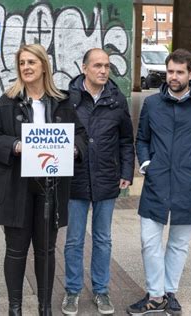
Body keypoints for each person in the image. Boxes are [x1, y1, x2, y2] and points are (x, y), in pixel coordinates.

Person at [0, 44, 87, 316]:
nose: (26, 67)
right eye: (22, 63)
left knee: (46, 251)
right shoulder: (8, 100)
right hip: (16, 186)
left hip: (50, 187)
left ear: (43, 66)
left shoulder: (62, 101)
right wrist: (16, 145)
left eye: (31, 62)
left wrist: (73, 148)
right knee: (16, 251)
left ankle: (44, 307)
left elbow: (81, 136)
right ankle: (14, 308)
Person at [126, 49, 191, 316]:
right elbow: (142, 139)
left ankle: (169, 293)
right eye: (170, 71)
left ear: (190, 74)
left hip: (188, 183)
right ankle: (155, 294)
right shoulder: (152, 104)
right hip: (157, 183)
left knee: (178, 244)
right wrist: (146, 164)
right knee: (149, 240)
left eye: (180, 72)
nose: (174, 76)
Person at [62, 48, 134, 315]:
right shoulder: (67, 100)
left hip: (107, 178)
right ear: (84, 68)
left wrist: (127, 171)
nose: (104, 70)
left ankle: (101, 291)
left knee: (103, 239)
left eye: (107, 66)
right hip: (76, 179)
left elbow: (126, 139)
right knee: (74, 240)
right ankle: (72, 291)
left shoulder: (117, 100)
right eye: (98, 66)